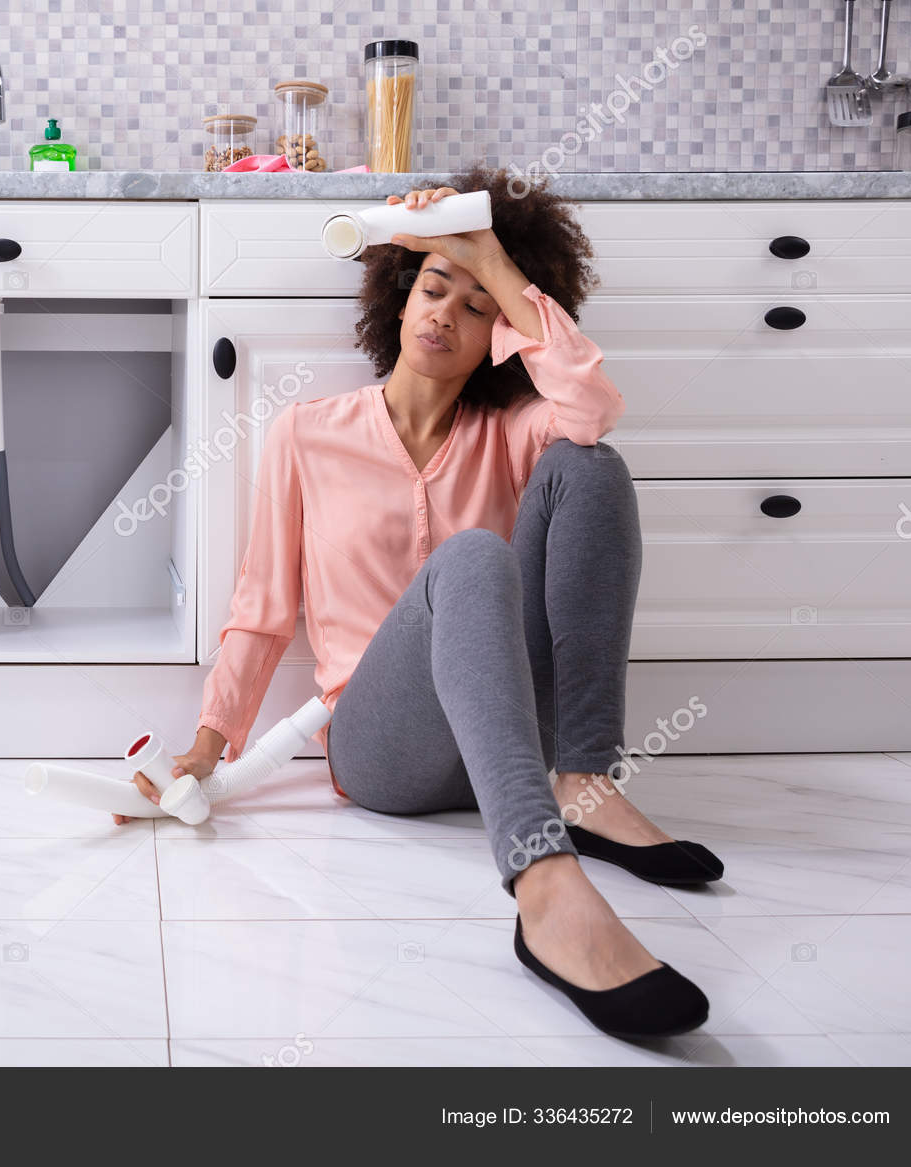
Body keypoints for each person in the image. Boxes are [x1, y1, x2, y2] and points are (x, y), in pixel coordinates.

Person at [121, 164, 723, 1040]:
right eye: (434, 286)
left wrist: (488, 255)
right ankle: (546, 886)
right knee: (474, 558)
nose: (446, 312)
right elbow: (261, 610)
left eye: (478, 306)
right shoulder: (307, 433)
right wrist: (207, 749)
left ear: (500, 337)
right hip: (381, 745)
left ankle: (586, 782)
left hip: (513, 727)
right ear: (399, 302)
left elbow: (590, 407)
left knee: (592, 465)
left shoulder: (513, 434)